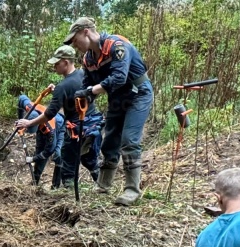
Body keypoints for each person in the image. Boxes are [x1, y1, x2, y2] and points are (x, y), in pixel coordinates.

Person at [65, 17, 153, 205]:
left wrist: (91, 91)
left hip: (138, 94)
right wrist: (85, 96)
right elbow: (88, 84)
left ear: (86, 32)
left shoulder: (117, 45)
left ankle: (131, 190)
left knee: (129, 140)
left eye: (75, 40)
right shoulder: (88, 59)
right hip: (117, 98)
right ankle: (104, 184)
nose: (75, 45)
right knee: (110, 140)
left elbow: (119, 78)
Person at [14, 45, 102, 190]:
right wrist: (60, 94)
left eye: (57, 63)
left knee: (68, 167)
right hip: (94, 125)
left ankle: (69, 197)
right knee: (90, 160)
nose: (54, 67)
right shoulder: (84, 75)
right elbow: (89, 92)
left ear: (66, 62)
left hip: (76, 130)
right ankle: (102, 188)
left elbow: (49, 114)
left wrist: (29, 122)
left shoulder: (63, 86)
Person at [16, 94, 65, 187]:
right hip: (42, 127)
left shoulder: (50, 131)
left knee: (58, 154)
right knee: (39, 149)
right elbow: (21, 98)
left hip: (60, 126)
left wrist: (33, 159)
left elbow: (48, 151)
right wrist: (20, 120)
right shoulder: (30, 108)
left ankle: (55, 186)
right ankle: (35, 181)